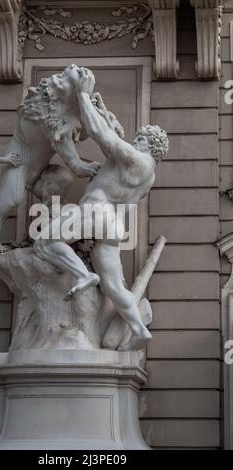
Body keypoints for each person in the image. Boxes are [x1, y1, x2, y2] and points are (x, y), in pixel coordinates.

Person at [34, 67, 169, 350]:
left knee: (45, 242)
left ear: (150, 145)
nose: (136, 140)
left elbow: (100, 133)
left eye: (141, 138)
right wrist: (103, 111)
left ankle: (84, 275)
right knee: (113, 287)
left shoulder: (137, 160)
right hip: (112, 225)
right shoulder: (150, 176)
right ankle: (139, 330)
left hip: (96, 212)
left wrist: (83, 95)